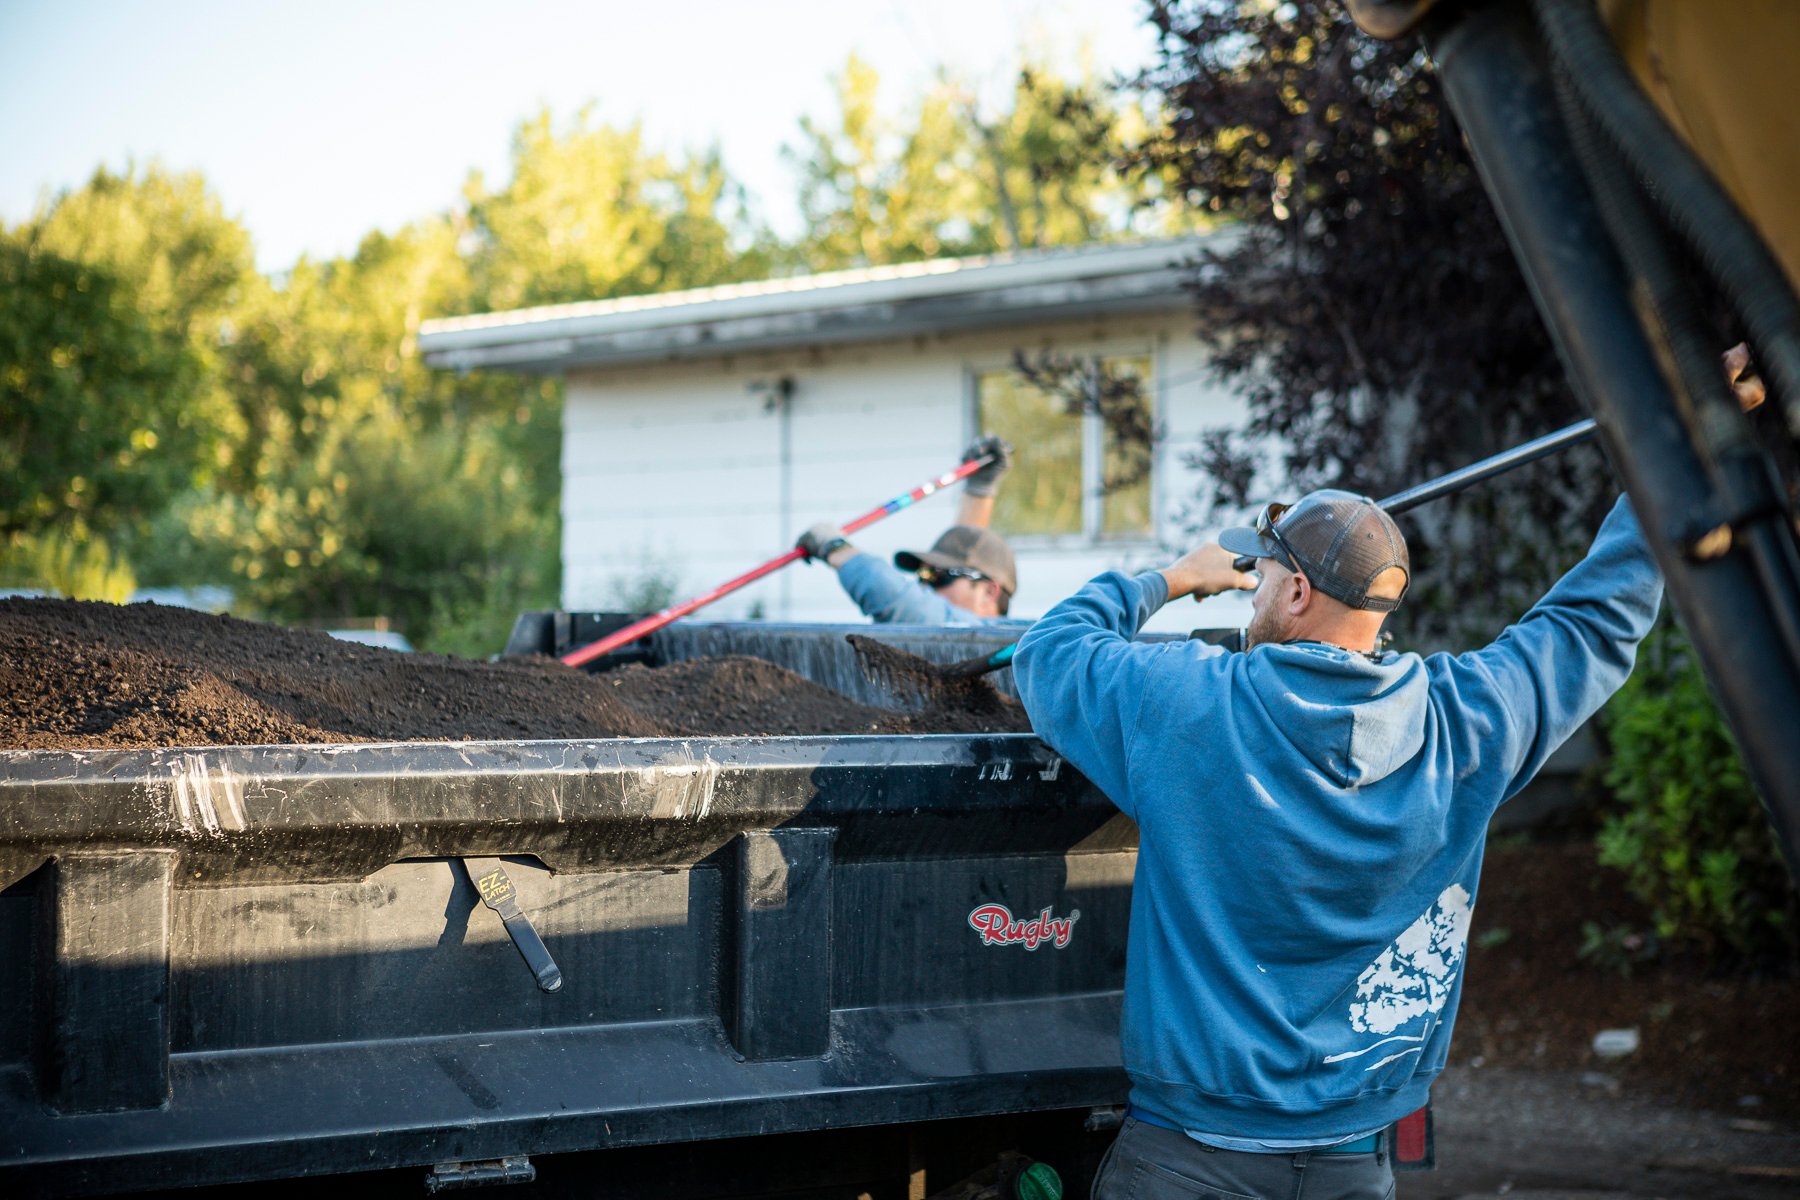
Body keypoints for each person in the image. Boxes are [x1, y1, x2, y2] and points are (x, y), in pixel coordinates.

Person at [1013, 484, 1667, 1200]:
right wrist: (1669, 465)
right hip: (1354, 1165)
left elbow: (1048, 651)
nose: (1253, 591)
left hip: (1186, 1161)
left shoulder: (1183, 704)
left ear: (1297, 591)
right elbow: (1596, 621)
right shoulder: (1468, 723)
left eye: (1261, 576)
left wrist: (1170, 579)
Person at [796, 435, 1020, 625]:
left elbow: (901, 601)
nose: (923, 588)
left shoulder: (1005, 643)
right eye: (922, 576)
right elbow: (970, 548)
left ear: (989, 593)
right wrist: (979, 489)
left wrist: (836, 547)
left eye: (937, 578)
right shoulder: (961, 637)